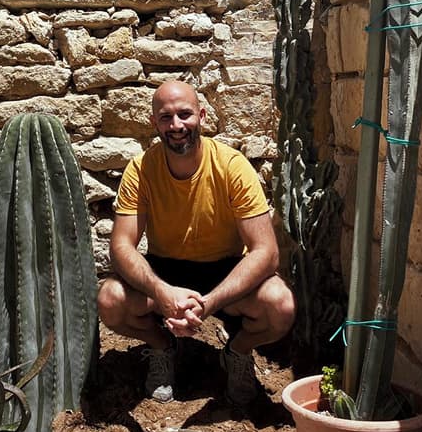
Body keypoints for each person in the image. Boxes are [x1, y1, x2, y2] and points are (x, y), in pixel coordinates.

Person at [97, 80, 295, 404]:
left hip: (225, 270)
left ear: (202, 116)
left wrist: (208, 304)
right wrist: (162, 292)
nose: (176, 125)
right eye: (166, 117)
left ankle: (237, 351)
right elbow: (120, 247)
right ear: (154, 123)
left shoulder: (231, 166)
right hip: (166, 270)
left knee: (280, 305)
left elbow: (266, 252)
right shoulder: (141, 169)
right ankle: (163, 346)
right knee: (110, 300)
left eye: (185, 114)